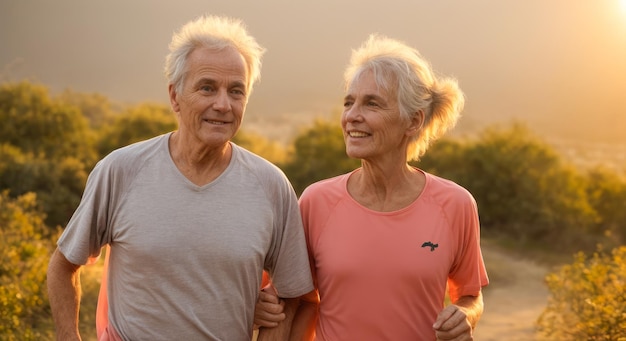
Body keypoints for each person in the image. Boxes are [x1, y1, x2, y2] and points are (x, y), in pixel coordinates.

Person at [46, 14, 314, 341]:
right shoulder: (120, 170)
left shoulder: (272, 187)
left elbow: (290, 297)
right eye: (207, 88)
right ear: (175, 96)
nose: (223, 104)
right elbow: (62, 267)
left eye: (236, 91)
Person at [255, 34, 489, 340]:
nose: (352, 116)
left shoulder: (455, 204)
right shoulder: (316, 201)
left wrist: (465, 314)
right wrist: (262, 304)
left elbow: (470, 295)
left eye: (372, 104)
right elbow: (292, 296)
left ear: (413, 121)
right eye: (349, 102)